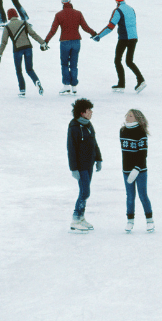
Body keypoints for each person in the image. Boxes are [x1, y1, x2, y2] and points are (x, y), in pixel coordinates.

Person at [92, 0, 146, 93]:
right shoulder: (131, 9)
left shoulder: (118, 11)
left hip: (124, 38)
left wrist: (99, 36)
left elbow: (110, 26)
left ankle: (121, 84)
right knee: (129, 61)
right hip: (134, 38)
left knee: (117, 60)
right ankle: (140, 80)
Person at [45, 0, 98, 95]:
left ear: (62, 2)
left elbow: (53, 30)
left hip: (65, 42)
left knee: (64, 64)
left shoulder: (59, 15)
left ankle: (66, 85)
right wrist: (94, 34)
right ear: (70, 1)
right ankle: (74, 87)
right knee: (74, 65)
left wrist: (46, 41)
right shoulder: (78, 13)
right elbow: (85, 27)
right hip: (76, 42)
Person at [68, 98, 102, 232]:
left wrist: (98, 159)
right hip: (80, 166)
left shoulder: (88, 125)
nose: (91, 112)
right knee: (85, 192)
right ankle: (76, 218)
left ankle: (81, 217)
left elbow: (94, 143)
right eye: (89, 110)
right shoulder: (74, 128)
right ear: (82, 112)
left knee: (85, 192)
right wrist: (73, 168)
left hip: (89, 164)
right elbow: (71, 149)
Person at [0, 8, 48, 97]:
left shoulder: (7, 27)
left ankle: (22, 90)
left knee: (19, 71)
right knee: (29, 69)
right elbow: (33, 34)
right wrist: (43, 43)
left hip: (17, 50)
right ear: (16, 14)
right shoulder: (24, 23)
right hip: (28, 48)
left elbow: (3, 42)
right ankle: (37, 81)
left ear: (8, 16)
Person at [121, 109, 152, 233]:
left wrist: (137, 169)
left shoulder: (140, 132)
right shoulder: (122, 131)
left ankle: (149, 220)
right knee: (130, 196)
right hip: (126, 170)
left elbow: (143, 153)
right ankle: (130, 220)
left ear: (137, 118)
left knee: (143, 195)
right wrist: (127, 169)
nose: (127, 117)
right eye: (127, 114)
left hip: (140, 171)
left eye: (130, 115)